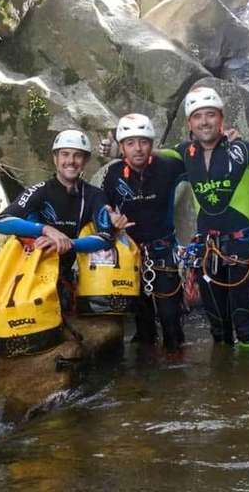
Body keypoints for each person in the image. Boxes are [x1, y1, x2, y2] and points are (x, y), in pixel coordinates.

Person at [0, 129, 126, 389]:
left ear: (85, 161)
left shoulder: (94, 196)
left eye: (77, 156)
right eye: (65, 155)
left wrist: (70, 244)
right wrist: (45, 230)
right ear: (55, 158)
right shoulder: (39, 191)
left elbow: (105, 237)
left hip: (58, 273)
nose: (71, 161)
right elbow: (1, 222)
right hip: (21, 269)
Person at [164, 87, 249, 351]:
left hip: (240, 248)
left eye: (210, 114)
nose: (204, 121)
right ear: (189, 124)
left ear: (221, 118)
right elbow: (146, 157)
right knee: (218, 328)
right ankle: (224, 374)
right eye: (198, 116)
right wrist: (115, 150)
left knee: (245, 328)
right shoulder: (184, 154)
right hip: (206, 251)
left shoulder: (244, 151)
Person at [99, 114, 188, 352]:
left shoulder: (168, 167)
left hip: (163, 252)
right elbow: (102, 205)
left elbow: (200, 161)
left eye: (143, 142)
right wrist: (110, 217)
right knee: (143, 327)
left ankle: (176, 364)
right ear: (122, 148)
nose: (138, 148)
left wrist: (226, 143)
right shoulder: (113, 173)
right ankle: (146, 369)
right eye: (130, 143)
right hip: (132, 255)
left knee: (171, 321)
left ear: (152, 144)